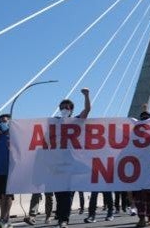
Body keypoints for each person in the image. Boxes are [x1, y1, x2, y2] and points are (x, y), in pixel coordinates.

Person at [53, 88, 92, 228]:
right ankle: (60, 218)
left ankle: (64, 219)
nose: (64, 109)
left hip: (72, 162)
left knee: (68, 193)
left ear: (71, 109)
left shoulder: (76, 121)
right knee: (58, 193)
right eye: (62, 107)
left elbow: (87, 110)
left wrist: (86, 95)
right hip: (57, 163)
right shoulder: (54, 122)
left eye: (67, 107)